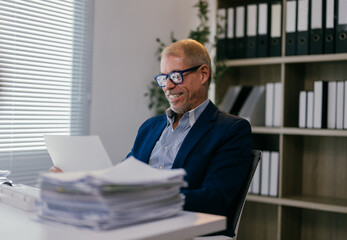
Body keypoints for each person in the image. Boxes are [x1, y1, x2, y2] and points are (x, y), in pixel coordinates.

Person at [50, 39, 252, 237]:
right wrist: (78, 179)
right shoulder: (150, 127)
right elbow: (124, 175)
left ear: (203, 74)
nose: (168, 87)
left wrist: (146, 197)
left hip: (186, 230)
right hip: (134, 223)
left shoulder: (231, 130)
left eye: (176, 76)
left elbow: (215, 199)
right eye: (164, 78)